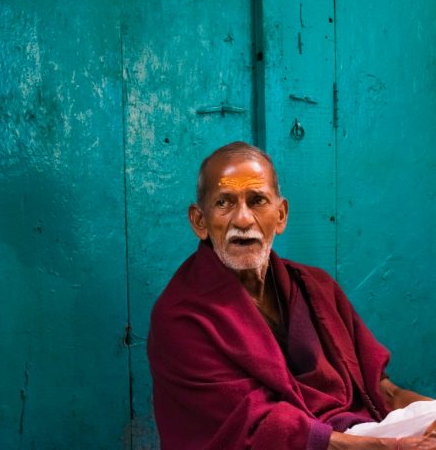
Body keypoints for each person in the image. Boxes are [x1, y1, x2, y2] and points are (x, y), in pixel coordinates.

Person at [147, 141, 435, 450]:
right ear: (199, 222)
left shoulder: (316, 287)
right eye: (224, 203)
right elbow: (255, 430)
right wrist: (387, 448)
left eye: (257, 200)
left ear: (281, 215)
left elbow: (382, 389)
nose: (243, 220)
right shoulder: (180, 318)